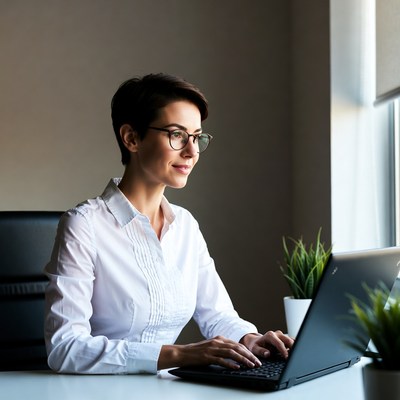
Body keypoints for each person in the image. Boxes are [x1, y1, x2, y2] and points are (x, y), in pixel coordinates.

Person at [44, 73, 293, 374]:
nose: (192, 151)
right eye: (176, 135)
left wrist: (249, 339)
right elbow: (65, 348)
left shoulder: (185, 225)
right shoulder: (84, 225)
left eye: (197, 136)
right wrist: (178, 355)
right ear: (131, 138)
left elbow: (217, 313)